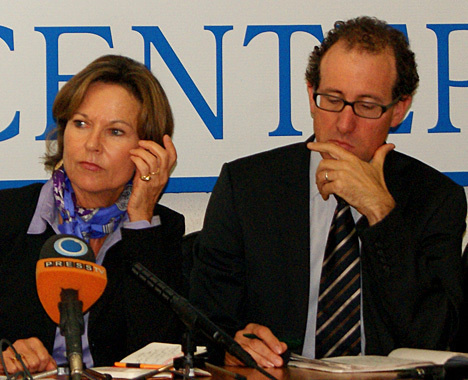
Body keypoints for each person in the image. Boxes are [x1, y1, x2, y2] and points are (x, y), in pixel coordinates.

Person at [189, 16, 467, 367]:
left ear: (399, 109)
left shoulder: (436, 198)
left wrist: (381, 214)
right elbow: (202, 326)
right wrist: (232, 345)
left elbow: (437, 339)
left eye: (367, 106)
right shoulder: (247, 187)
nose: (344, 123)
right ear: (310, 94)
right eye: (332, 99)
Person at [0, 55, 185, 374]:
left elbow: (158, 357)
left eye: (115, 131)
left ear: (147, 149)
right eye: (81, 124)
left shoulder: (157, 232)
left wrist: (140, 218)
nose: (92, 144)